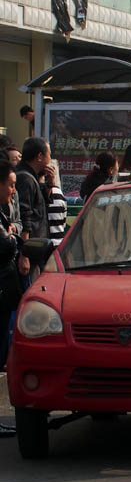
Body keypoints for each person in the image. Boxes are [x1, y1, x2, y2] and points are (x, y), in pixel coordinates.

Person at [0, 161, 22, 376]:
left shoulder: (8, 206)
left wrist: (12, 233)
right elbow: (6, 244)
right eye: (11, 185)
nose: (14, 190)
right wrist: (13, 239)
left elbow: (18, 226)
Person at [16, 137, 50, 254]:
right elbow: (25, 216)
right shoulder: (25, 178)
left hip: (35, 248)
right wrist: (24, 254)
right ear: (40, 156)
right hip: (31, 250)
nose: (50, 160)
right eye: (49, 155)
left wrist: (48, 184)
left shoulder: (32, 177)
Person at [45, 161, 67, 247]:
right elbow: (63, 223)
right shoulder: (59, 193)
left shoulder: (39, 192)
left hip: (44, 244)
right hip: (59, 244)